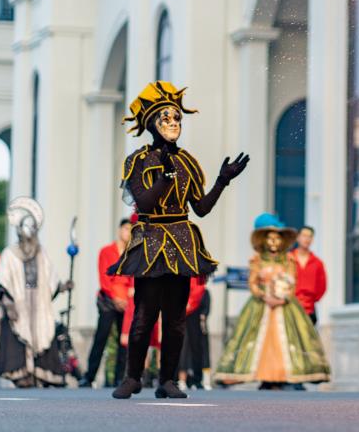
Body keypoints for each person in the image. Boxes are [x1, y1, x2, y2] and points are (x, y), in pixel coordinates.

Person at [109, 81, 249, 400]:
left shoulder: (188, 161)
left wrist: (222, 181)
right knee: (144, 316)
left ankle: (169, 380)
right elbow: (143, 204)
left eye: (177, 118)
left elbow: (201, 208)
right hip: (151, 242)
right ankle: (133, 377)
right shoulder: (137, 161)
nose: (174, 123)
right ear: (152, 123)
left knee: (176, 320)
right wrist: (164, 180)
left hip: (182, 242)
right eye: (166, 118)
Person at [214, 214, 331, 387]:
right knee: (260, 340)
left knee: (290, 339)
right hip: (262, 306)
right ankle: (264, 376)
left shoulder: (289, 260)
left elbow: (293, 281)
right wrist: (264, 296)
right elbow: (253, 283)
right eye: (270, 238)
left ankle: (284, 376)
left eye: (277, 238)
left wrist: (284, 298)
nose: (274, 242)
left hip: (286, 306)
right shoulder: (257, 260)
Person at [0, 197, 71, 387]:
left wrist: (62, 286)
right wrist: (9, 305)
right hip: (18, 304)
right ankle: (22, 375)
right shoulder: (9, 254)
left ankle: (39, 374)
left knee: (43, 333)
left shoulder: (41, 252)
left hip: (39, 304)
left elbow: (51, 278)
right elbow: (2, 282)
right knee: (18, 337)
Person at [82, 219, 133, 388]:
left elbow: (134, 278)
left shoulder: (132, 253)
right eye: (125, 228)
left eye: (131, 229)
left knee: (123, 341)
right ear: (119, 230)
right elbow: (104, 276)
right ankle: (90, 376)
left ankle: (119, 377)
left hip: (126, 301)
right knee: (101, 337)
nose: (128, 232)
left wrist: (128, 297)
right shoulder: (106, 251)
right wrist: (114, 297)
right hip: (108, 299)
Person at [290, 226, 327, 325]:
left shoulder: (317, 263)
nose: (307, 239)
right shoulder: (289, 259)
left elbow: (322, 287)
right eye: (304, 236)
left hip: (309, 309)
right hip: (290, 307)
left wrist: (310, 299)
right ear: (298, 238)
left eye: (310, 236)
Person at [179, 274, 210, 390]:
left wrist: (189, 304)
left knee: (196, 346)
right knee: (180, 346)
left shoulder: (196, 273)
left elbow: (199, 288)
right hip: (179, 308)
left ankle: (196, 378)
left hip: (193, 312)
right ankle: (178, 378)